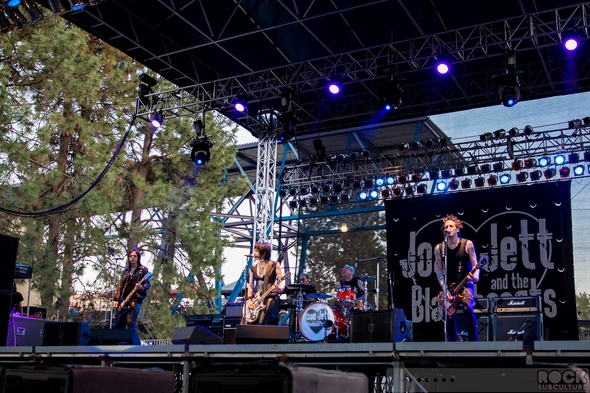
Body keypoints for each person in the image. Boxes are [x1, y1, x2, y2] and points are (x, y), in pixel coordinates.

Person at [434, 214, 480, 342]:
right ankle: (453, 343)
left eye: (451, 226)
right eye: (446, 227)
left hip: (465, 283)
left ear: (457, 229)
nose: (448, 228)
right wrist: (445, 290)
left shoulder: (467, 244)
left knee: (467, 308)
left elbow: (476, 265)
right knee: (450, 315)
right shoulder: (439, 248)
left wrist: (475, 277)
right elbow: (439, 271)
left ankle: (473, 341)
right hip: (449, 286)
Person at [246, 242, 285, 325]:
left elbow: (281, 279)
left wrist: (280, 288)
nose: (254, 253)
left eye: (257, 251)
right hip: (256, 298)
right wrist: (249, 300)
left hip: (269, 296)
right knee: (252, 323)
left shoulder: (274, 264)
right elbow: (250, 285)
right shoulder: (253, 267)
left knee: (263, 321)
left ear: (264, 253)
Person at [113, 248, 151, 330]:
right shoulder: (125, 271)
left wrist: (142, 287)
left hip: (135, 298)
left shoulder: (143, 270)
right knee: (119, 324)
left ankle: (133, 342)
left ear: (138, 258)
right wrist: (117, 300)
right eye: (130, 256)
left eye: (134, 256)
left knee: (130, 321)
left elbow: (147, 284)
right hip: (124, 299)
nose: (132, 258)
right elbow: (120, 286)